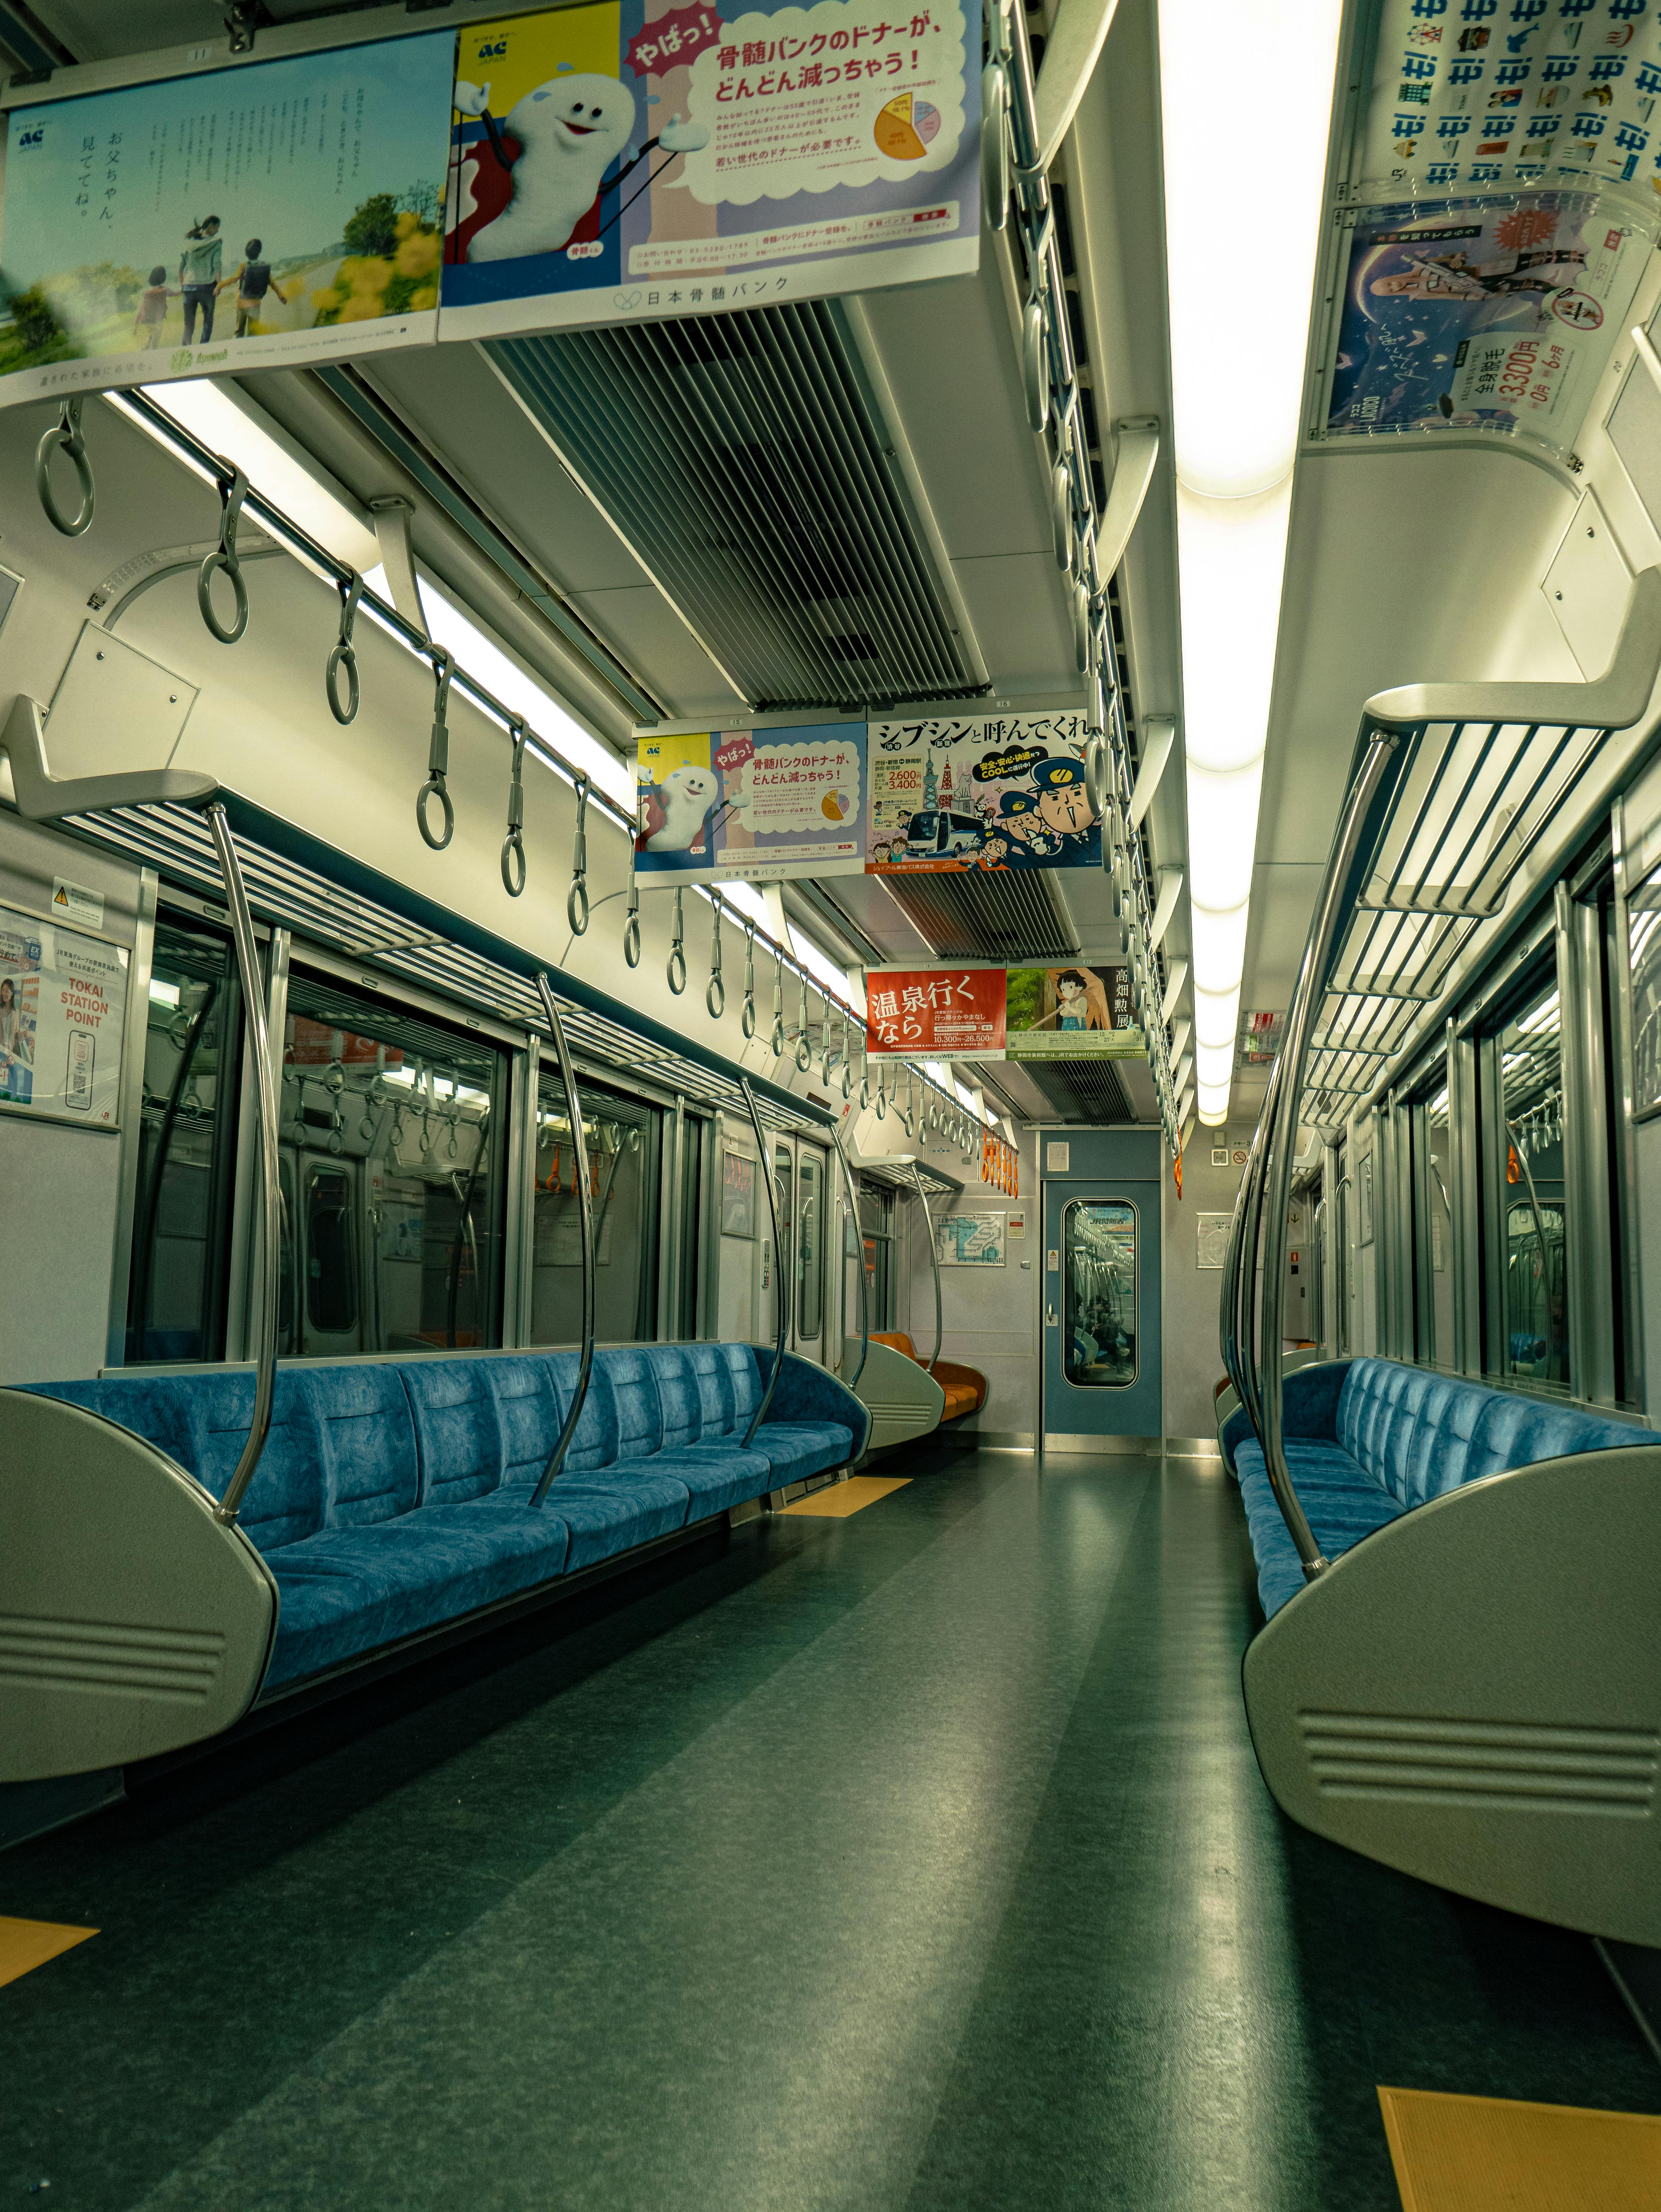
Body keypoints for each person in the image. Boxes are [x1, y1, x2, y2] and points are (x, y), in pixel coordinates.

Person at [228, 239, 288, 338]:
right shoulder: (263, 267)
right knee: (253, 332)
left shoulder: (244, 266)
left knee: (239, 331)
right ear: (260, 252)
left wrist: (220, 285)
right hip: (255, 303)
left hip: (242, 302)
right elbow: (272, 283)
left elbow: (235, 279)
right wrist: (280, 295)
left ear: (246, 253)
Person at [179, 216, 223, 344]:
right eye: (217, 227)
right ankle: (203, 349)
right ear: (211, 226)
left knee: (189, 324)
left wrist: (183, 286)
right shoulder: (215, 243)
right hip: (207, 288)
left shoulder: (188, 243)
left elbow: (181, 268)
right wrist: (219, 285)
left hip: (189, 288)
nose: (218, 231)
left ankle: (185, 351)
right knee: (208, 322)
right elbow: (217, 265)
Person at [133, 265, 175, 348]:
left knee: (151, 337)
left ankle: (147, 347)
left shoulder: (147, 293)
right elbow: (174, 294)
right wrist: (184, 290)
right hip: (158, 319)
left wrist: (136, 326)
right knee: (155, 342)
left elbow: (142, 309)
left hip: (147, 320)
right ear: (164, 277)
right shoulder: (165, 290)